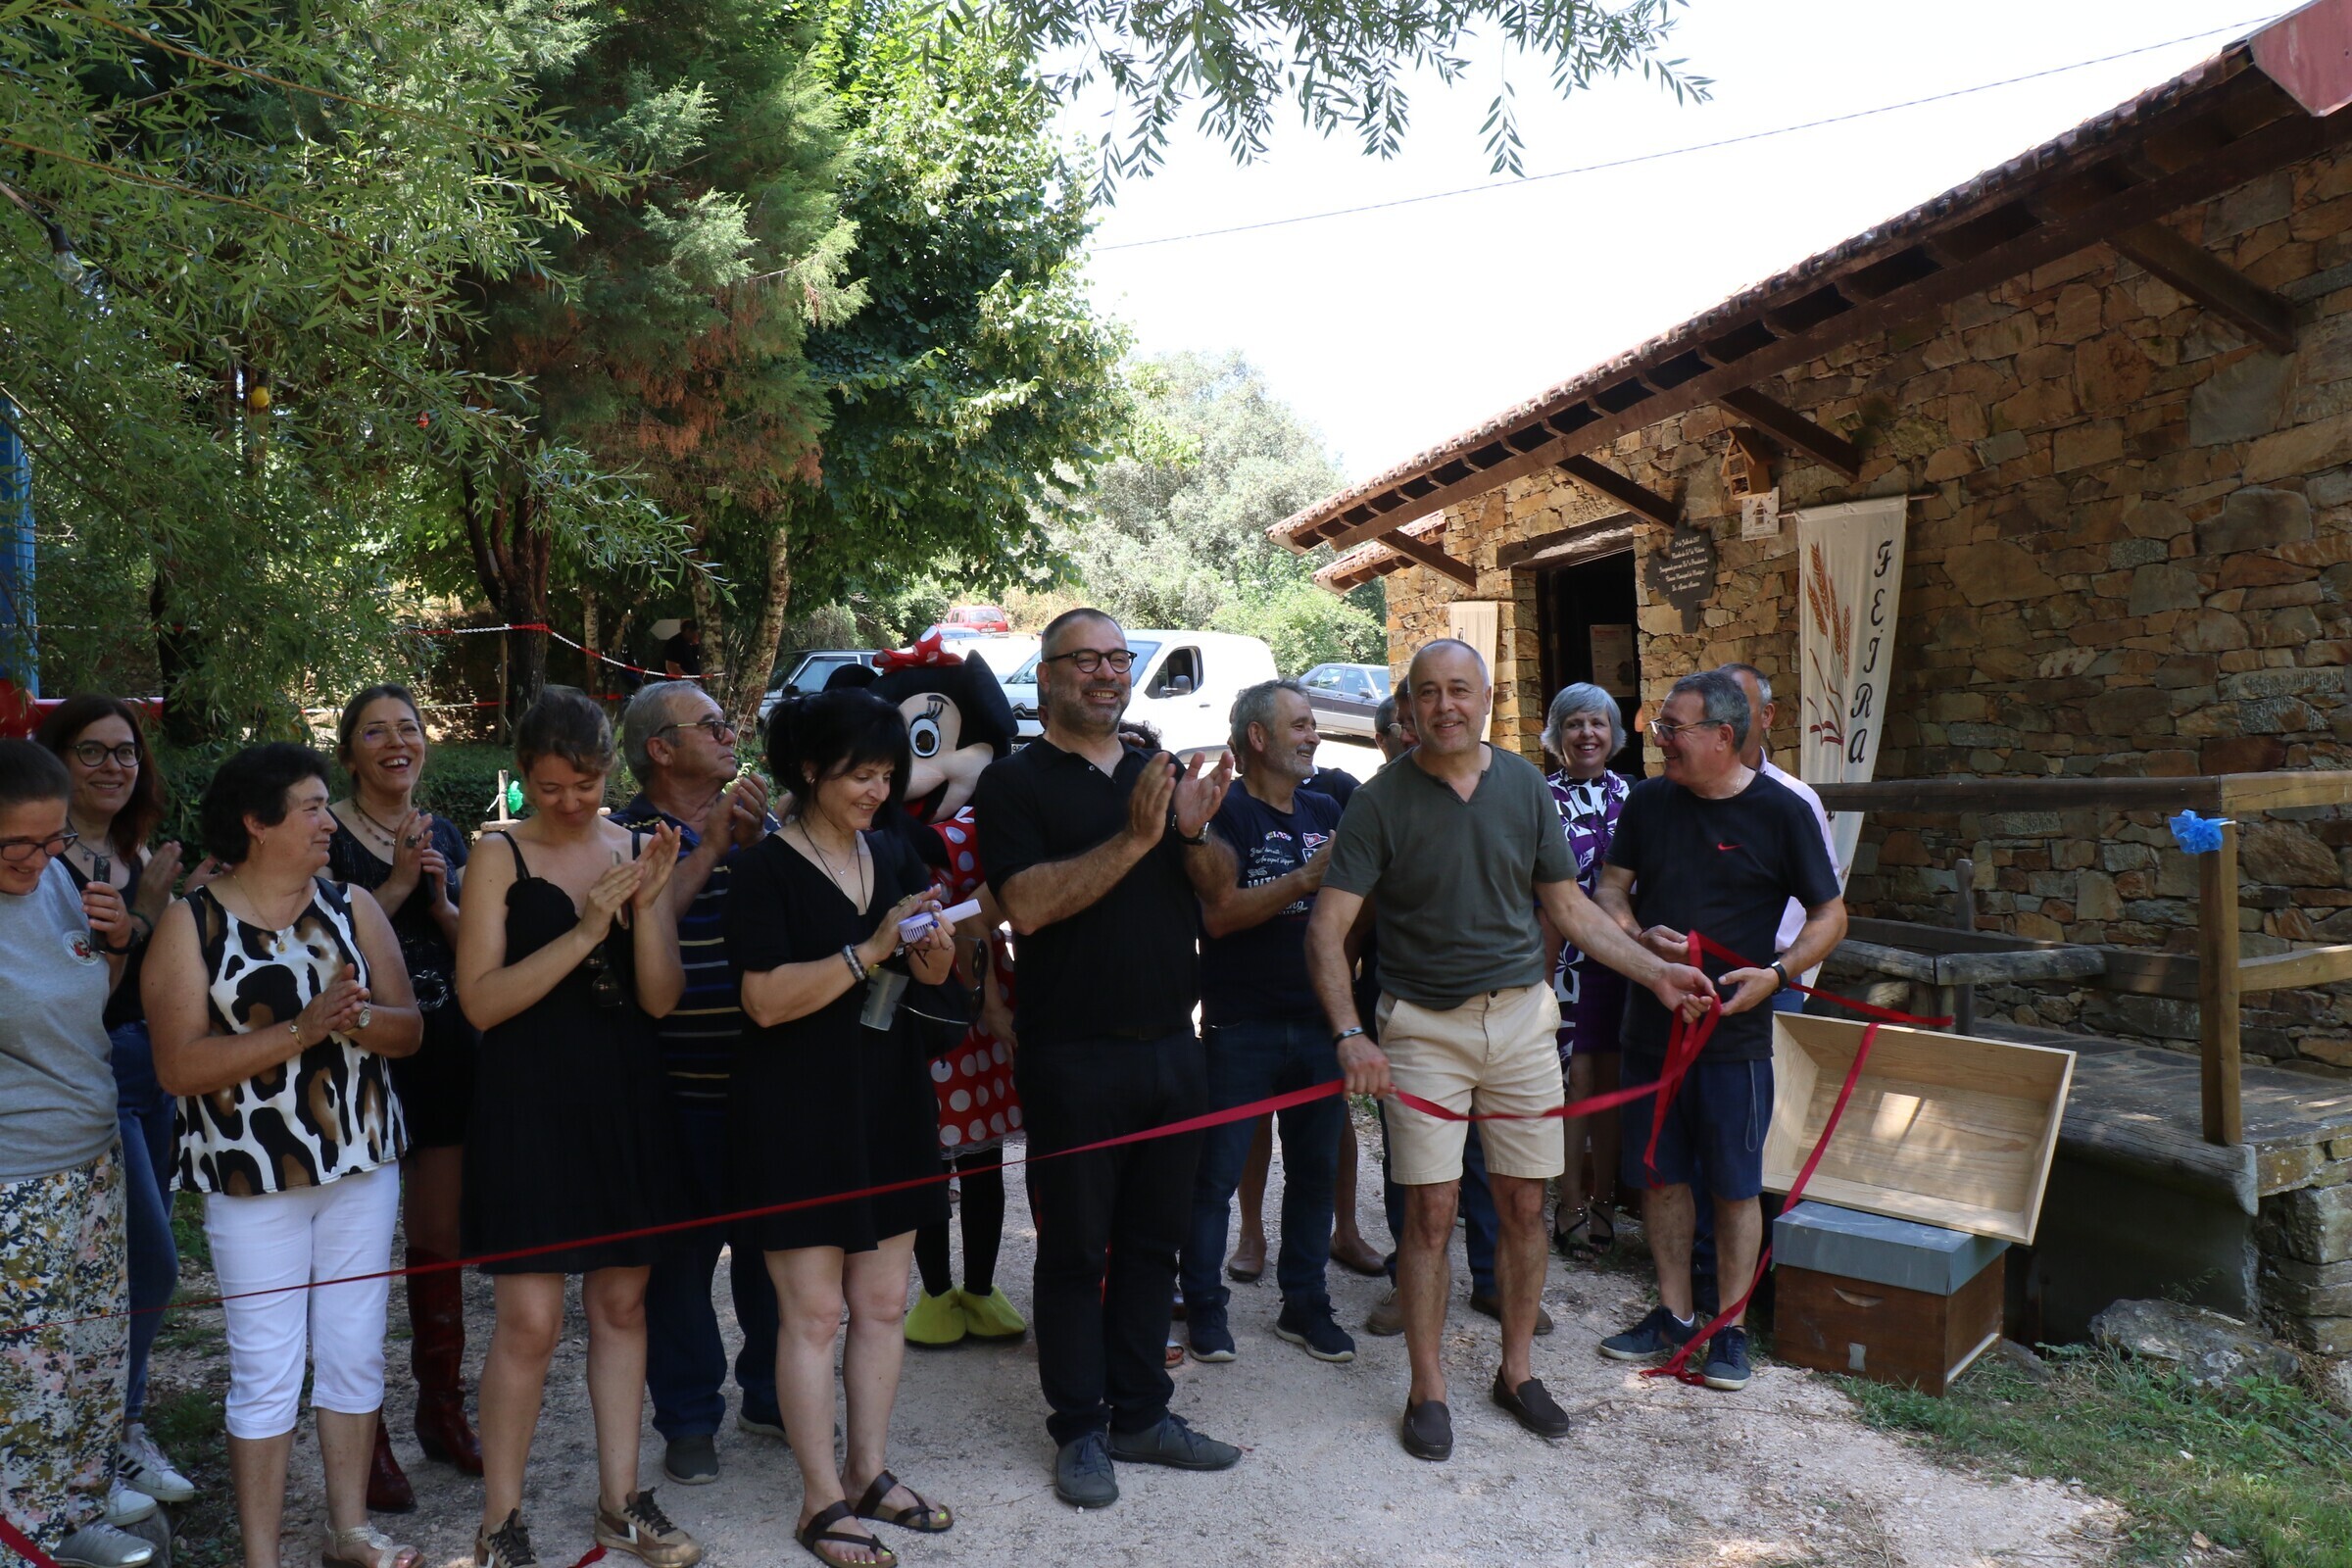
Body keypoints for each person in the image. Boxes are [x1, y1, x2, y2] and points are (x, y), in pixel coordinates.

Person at [1305, 640, 1713, 1462]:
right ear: (1409, 706)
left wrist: (1659, 974)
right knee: (1430, 1213)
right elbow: (1326, 930)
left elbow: (1570, 908)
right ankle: (1428, 1389)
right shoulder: (1380, 801)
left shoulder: (1526, 785)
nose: (1445, 705)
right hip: (1422, 1027)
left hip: (1523, 1021)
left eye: (1460, 689)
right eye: (1428, 692)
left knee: (1528, 1205)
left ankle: (1517, 1372)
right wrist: (1352, 1034)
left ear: (1487, 696)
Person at [974, 608, 1242, 1510]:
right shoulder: (1014, 784)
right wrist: (1135, 839)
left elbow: (1218, 897)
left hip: (1174, 1048)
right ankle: (1080, 1428)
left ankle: (1142, 1414)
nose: (1104, 673)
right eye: (1083, 660)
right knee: (1073, 1250)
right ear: (1046, 676)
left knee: (1151, 1246)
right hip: (1073, 1058)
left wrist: (1194, 834)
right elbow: (1027, 906)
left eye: (1117, 659)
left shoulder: (1155, 772)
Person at [144, 743, 423, 1568]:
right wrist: (300, 1030)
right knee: (265, 1371)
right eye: (308, 807)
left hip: (362, 1169)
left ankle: (351, 1533)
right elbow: (177, 1065)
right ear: (256, 824)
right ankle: (260, 1558)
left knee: (354, 1351)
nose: (325, 822)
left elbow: (410, 1030)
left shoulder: (352, 906)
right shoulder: (190, 922)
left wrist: (357, 1020)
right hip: (249, 1182)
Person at [456, 689, 699, 1568]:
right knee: (527, 1322)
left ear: (611, 771)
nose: (570, 802)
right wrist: (589, 922)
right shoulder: (497, 855)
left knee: (623, 1304)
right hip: (528, 1100)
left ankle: (620, 1501)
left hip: (626, 1092)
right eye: (551, 786)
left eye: (586, 782)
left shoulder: (635, 844)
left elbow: (662, 997)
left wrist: (647, 909)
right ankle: (501, 1521)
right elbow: (482, 1001)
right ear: (523, 777)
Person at [726, 688, 957, 1568]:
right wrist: (870, 949)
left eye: (888, 773)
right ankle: (819, 1502)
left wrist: (930, 954)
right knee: (814, 1315)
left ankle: (868, 1473)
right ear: (811, 768)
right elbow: (763, 999)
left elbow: (925, 974)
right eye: (861, 772)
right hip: (794, 1113)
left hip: (889, 1097)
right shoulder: (762, 869)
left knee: (884, 1303)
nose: (876, 788)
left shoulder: (892, 852)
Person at [1592, 669, 1846, 1395]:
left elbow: (1832, 916)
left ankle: (1727, 1328)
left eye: (1674, 727)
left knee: (1736, 1186)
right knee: (1662, 1174)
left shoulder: (1782, 811)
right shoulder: (1648, 803)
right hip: (1653, 1020)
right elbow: (1609, 892)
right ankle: (1674, 1313)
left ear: (1724, 738)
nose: (1658, 738)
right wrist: (1641, 936)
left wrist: (1777, 972)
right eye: (1660, 725)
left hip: (1736, 1034)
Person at [611, 682, 784, 1487]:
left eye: (728, 723)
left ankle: (774, 1392)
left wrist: (758, 842)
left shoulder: (759, 821)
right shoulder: (624, 835)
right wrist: (709, 846)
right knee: (681, 1265)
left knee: (774, 1252)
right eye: (710, 725)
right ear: (660, 749)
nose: (728, 735)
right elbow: (636, 933)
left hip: (765, 1083)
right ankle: (687, 1419)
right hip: (673, 1089)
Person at [33, 698, 202, 1509]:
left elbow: (160, 968)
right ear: (55, 760)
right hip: (85, 1071)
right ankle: (111, 1439)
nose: (112, 767)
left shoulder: (137, 850)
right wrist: (144, 914)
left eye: (125, 752)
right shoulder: (37, 862)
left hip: (154, 1062)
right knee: (153, 1261)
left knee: (138, 1253)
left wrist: (180, 910)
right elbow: (76, 991)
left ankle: (116, 1434)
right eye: (91, 752)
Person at [322, 685, 479, 1510]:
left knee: (438, 1238)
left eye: (409, 728)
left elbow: (466, 943)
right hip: (361, 1062)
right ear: (349, 753)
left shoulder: (444, 831)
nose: (396, 742)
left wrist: (444, 895)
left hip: (445, 1049)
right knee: (359, 1259)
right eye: (375, 732)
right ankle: (368, 1433)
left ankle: (442, 1409)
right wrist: (393, 882)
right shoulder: (324, 837)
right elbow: (328, 953)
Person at [0, 739, 150, 1568]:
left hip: (90, 1156)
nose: (39, 857)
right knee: (27, 1374)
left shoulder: (58, 877)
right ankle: (23, 1544)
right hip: (13, 1179)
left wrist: (122, 935)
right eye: (17, 843)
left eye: (52, 838)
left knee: (91, 1354)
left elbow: (92, 998)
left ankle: (77, 1513)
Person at [1177, 680, 1352, 1366]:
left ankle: (1304, 1305)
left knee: (1314, 1174)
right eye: (1301, 725)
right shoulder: (1226, 813)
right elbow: (1218, 915)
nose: (1313, 735)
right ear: (1259, 738)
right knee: (1213, 1179)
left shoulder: (1324, 806)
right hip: (1240, 1026)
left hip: (1318, 1024)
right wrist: (1304, 880)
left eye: (1312, 724)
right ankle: (1206, 1309)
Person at [1359, 699, 1522, 1342]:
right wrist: (1347, 1021)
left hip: (1496, 1005)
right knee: (1415, 1162)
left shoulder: (1500, 787)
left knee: (1489, 1154)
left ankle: (1490, 1279)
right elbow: (1350, 917)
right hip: (1408, 1000)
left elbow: (1538, 897)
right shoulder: (1377, 803)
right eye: (1408, 719)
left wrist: (1529, 980)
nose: (1423, 726)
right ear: (1396, 731)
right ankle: (1411, 1281)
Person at [1537, 683, 1632, 1262]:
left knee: (1614, 1085)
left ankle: (1607, 1200)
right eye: (1574, 724)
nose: (1587, 734)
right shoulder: (1539, 796)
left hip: (1623, 962)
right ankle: (1569, 1200)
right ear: (1556, 735)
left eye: (1597, 723)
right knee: (1573, 1083)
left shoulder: (1637, 797)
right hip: (1566, 961)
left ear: (1614, 734)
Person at [1718, 662, 1840, 1010]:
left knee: (1776, 1067)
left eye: (1738, 705)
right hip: (1698, 972)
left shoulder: (1796, 800)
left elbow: (1827, 902)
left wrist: (1782, 971)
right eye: (1716, 707)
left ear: (1767, 715)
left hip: (1774, 976)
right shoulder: (1679, 798)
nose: (1726, 718)